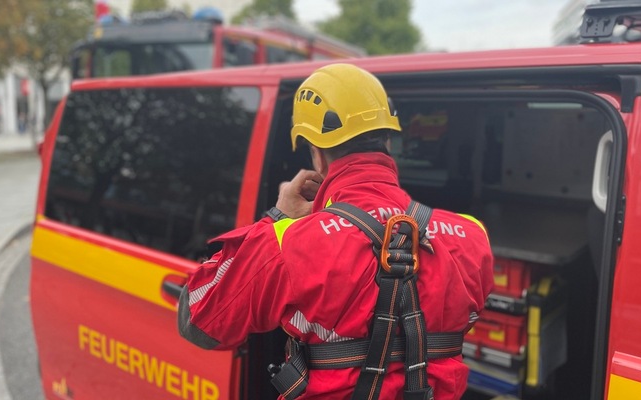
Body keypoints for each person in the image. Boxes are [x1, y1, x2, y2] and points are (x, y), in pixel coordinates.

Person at [178, 63, 494, 400]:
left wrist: (278, 216)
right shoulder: (472, 236)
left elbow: (200, 324)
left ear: (317, 153)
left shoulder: (286, 244)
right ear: (387, 139)